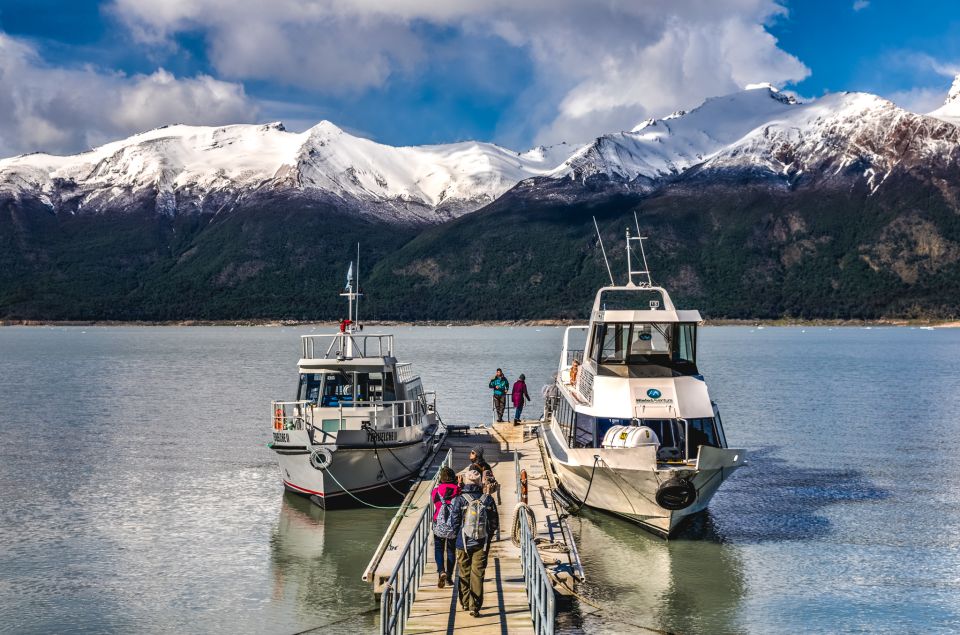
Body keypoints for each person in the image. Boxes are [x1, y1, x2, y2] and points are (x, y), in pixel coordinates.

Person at [451, 467, 499, 617]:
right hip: (481, 543)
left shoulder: (459, 500)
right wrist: (487, 537)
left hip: (462, 542)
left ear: (465, 481)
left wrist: (460, 534)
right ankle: (475, 607)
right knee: (477, 574)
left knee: (464, 573)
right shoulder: (488, 499)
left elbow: (454, 523)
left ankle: (464, 602)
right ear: (479, 482)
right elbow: (494, 523)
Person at [431, 466, 460, 589]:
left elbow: (436, 503)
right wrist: (459, 485)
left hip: (439, 525)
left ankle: (441, 571)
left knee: (438, 549)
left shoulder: (436, 491)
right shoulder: (458, 490)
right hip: (453, 526)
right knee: (451, 550)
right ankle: (448, 577)